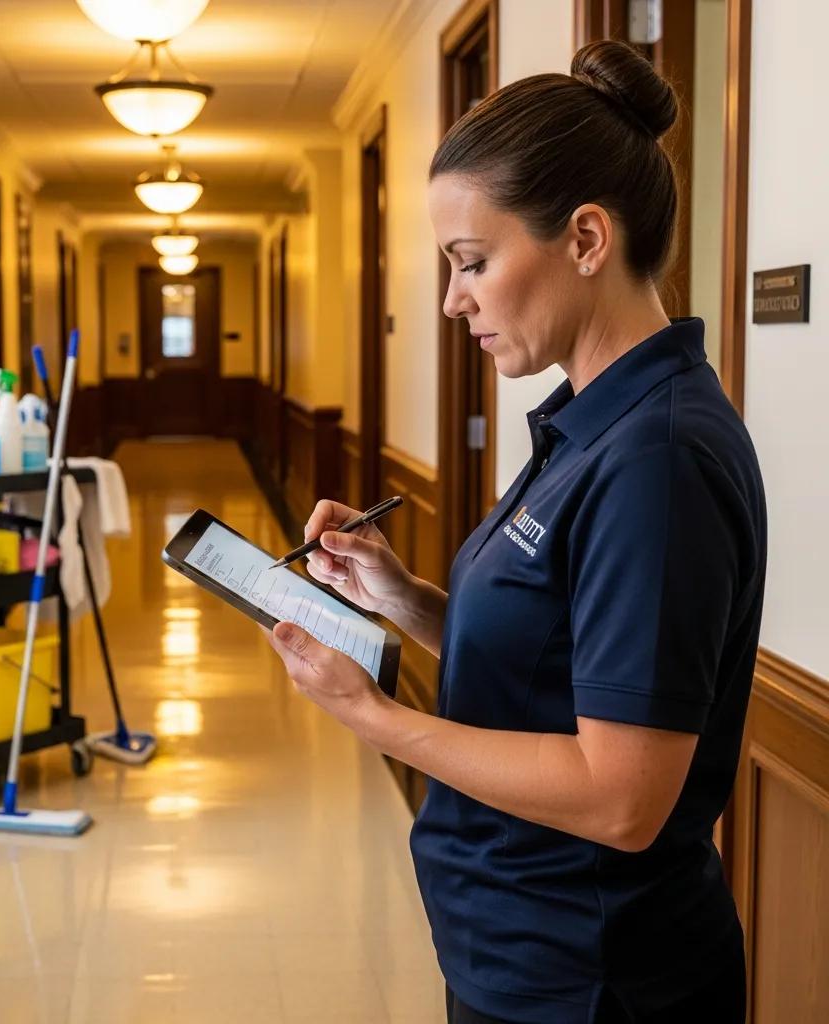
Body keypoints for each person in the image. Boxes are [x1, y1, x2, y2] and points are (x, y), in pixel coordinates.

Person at [264, 38, 766, 1024]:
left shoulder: (656, 456)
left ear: (585, 239)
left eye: (472, 263)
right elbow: (553, 668)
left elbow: (619, 797)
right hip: (516, 942)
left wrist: (376, 717)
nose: (453, 300)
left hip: (591, 977)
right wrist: (401, 598)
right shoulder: (591, 420)